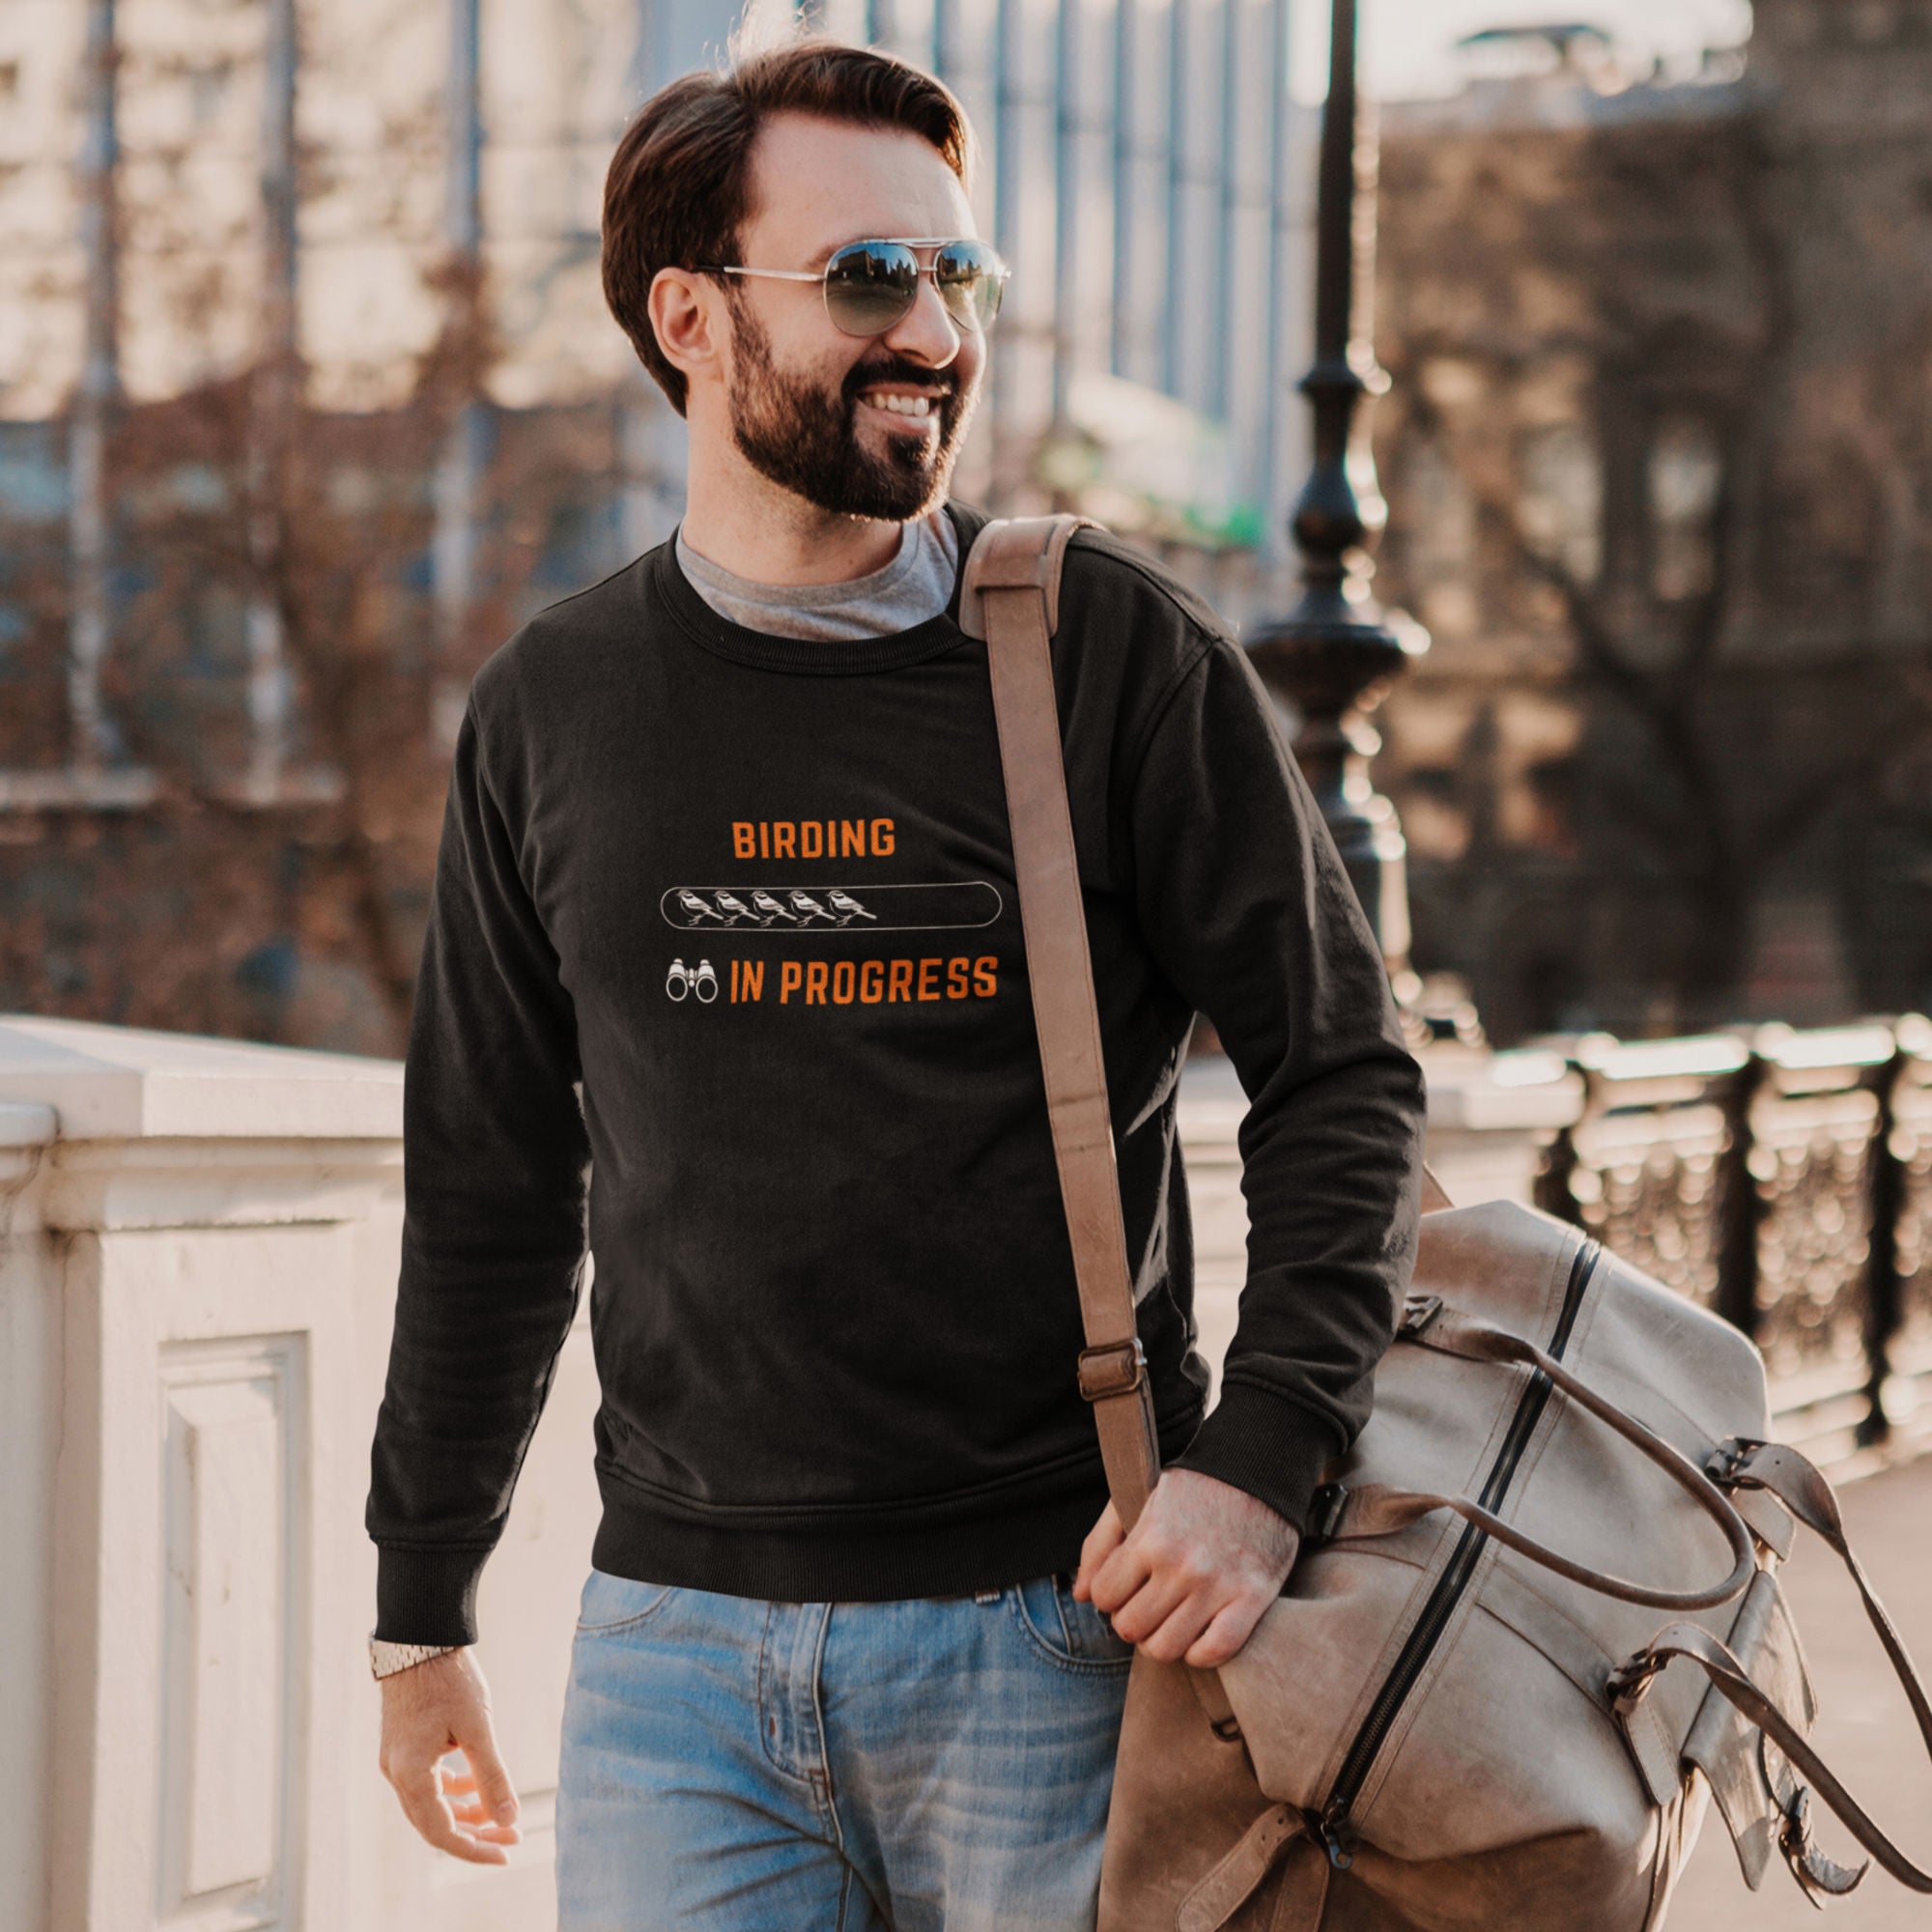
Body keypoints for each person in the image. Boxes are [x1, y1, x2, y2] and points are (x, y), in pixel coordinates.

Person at [365, 30, 1426, 1932]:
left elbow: (1341, 1071)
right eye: (869, 275)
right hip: (670, 1662)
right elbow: (493, 1188)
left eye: (958, 276)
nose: (934, 328)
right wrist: (419, 1601)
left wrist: (1262, 1461)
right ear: (691, 315)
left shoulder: (1109, 652)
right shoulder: (555, 706)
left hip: (1062, 1635)